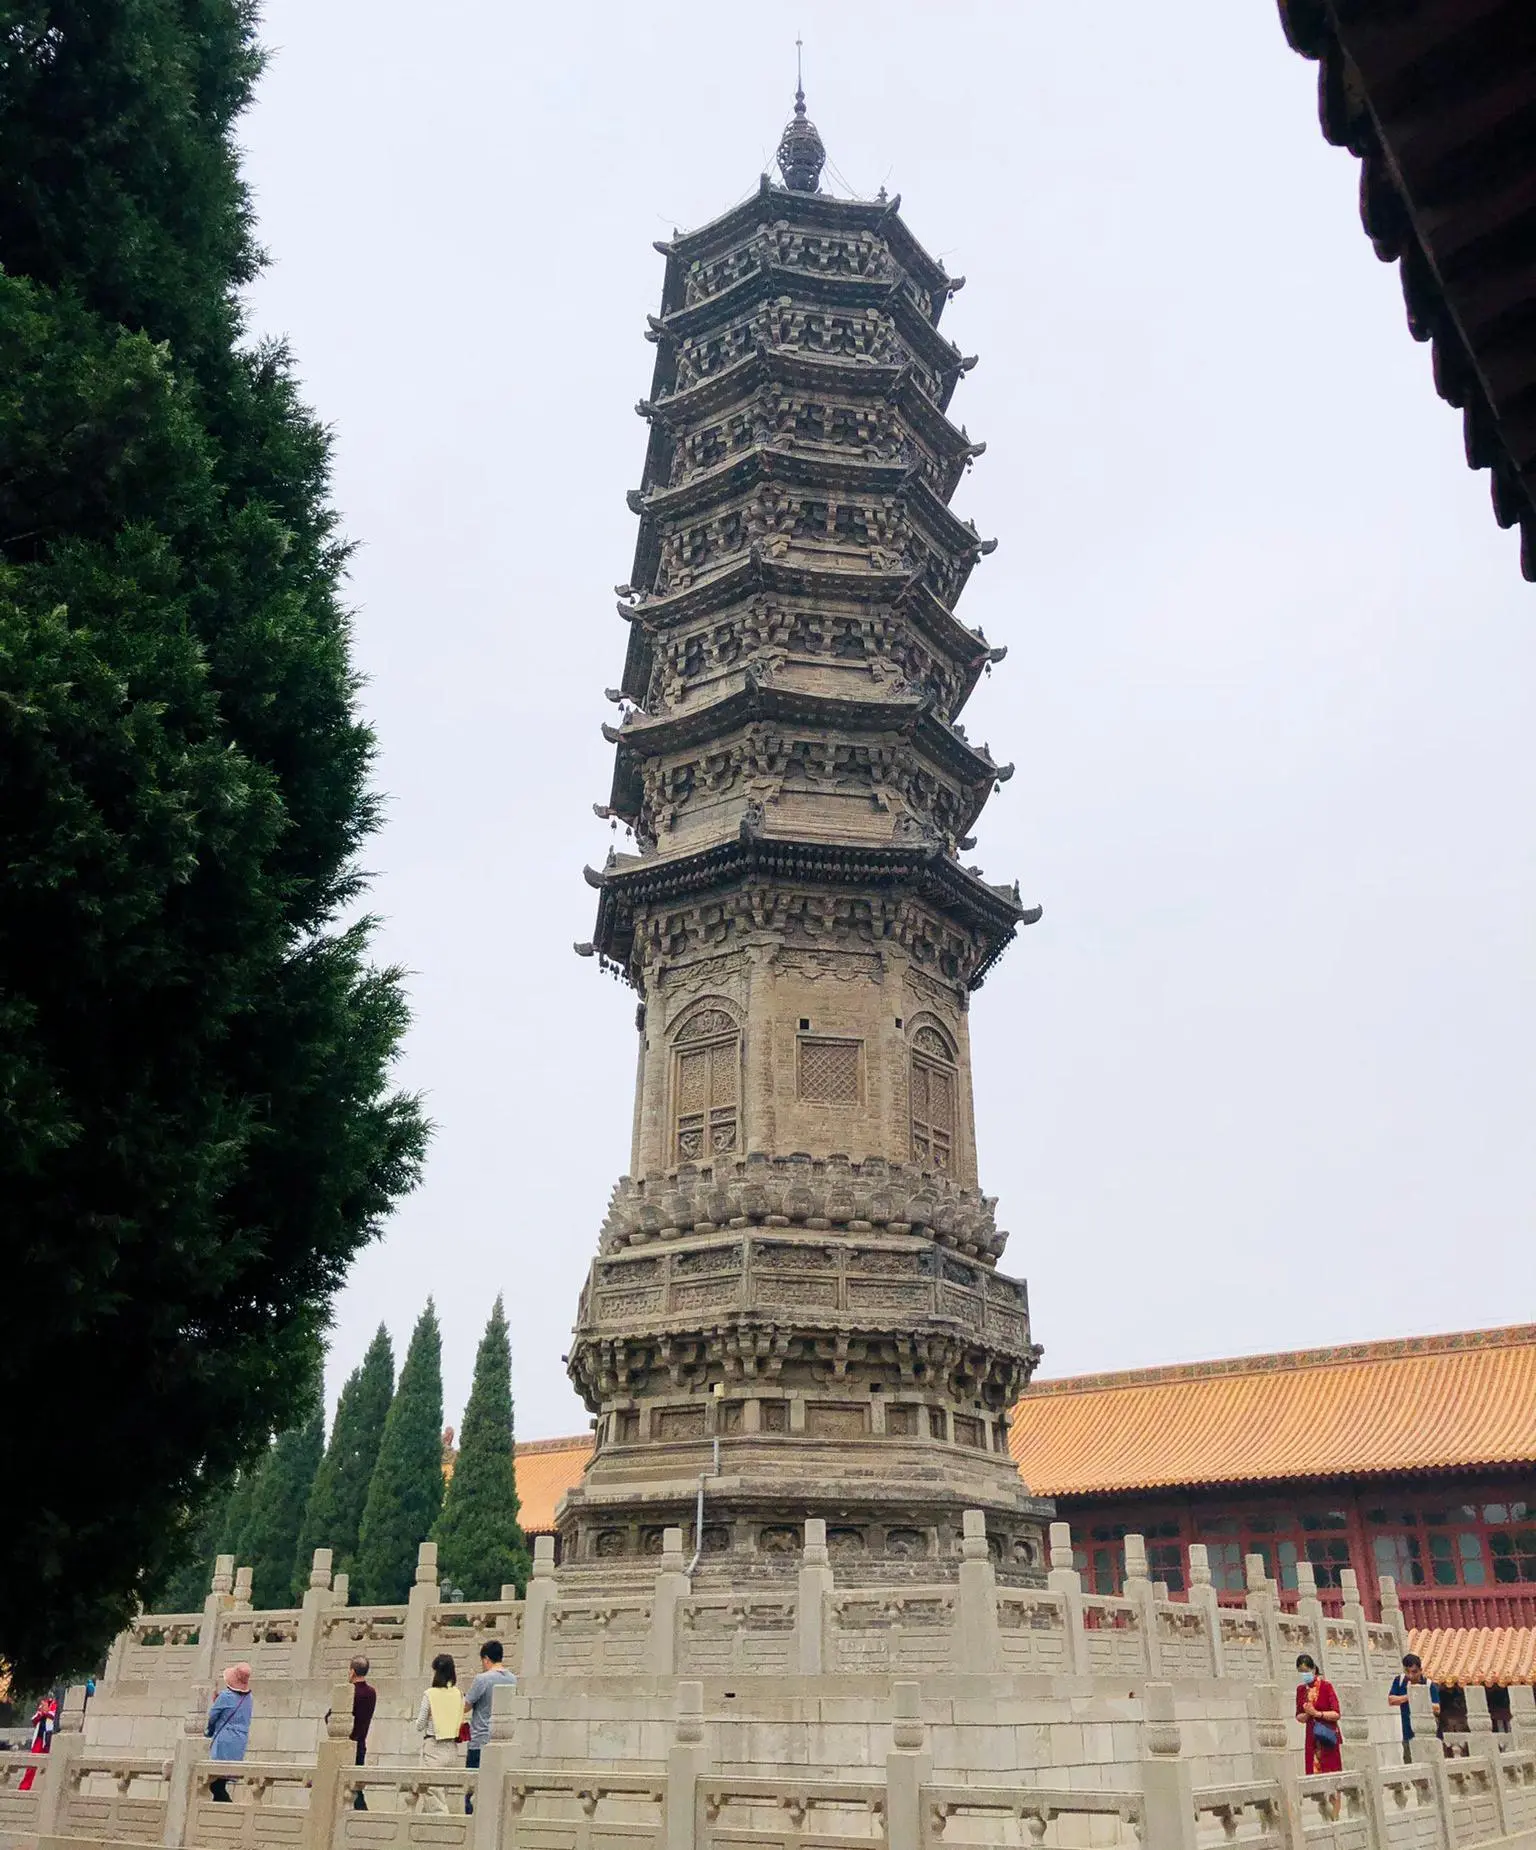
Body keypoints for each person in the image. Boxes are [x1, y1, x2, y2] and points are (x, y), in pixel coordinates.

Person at [461, 1639, 517, 1814]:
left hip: (479, 1741)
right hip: (503, 1743)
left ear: (486, 1659)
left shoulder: (482, 1679)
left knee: (473, 1790)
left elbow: (466, 1706)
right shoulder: (512, 1679)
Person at [416, 1654, 465, 1813]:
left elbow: (420, 1723)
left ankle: (444, 1829)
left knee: (432, 1792)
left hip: (434, 1746)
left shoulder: (430, 1694)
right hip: (451, 1748)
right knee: (441, 1791)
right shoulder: (458, 1693)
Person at [206, 1663, 253, 1802]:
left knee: (215, 1784)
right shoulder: (249, 1698)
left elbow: (213, 1716)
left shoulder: (225, 1696)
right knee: (221, 1782)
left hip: (224, 1740)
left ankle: (228, 1811)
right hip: (239, 1741)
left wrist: (208, 1732)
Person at [1296, 1653, 1343, 1780]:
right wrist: (1307, 1713)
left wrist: (1317, 1714)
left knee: (1332, 1776)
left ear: (1313, 1669)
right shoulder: (1301, 1690)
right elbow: (1298, 1716)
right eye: (1300, 1672)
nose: (1303, 1674)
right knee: (1314, 1777)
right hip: (1312, 1739)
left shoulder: (1326, 1687)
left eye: (1306, 1671)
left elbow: (1336, 1713)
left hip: (1327, 1737)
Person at [1389, 1653, 1441, 1764]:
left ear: (1420, 1670)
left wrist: (1420, 1699)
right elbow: (1391, 1700)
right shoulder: (1399, 1681)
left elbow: (1437, 1708)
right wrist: (1410, 1696)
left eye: (1414, 1672)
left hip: (1428, 1733)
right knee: (1410, 1763)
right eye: (1407, 1672)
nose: (1411, 1676)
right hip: (1408, 1732)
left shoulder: (1428, 1684)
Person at [349, 1657, 377, 1810]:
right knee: (355, 1786)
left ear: (352, 1671)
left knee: (351, 1788)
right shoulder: (371, 1693)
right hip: (361, 1743)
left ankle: (363, 1815)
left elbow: (330, 1717)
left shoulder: (350, 1692)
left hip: (347, 1743)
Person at [16, 1692, 57, 1792]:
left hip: (49, 1739)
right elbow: (34, 1719)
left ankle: (47, 1789)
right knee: (32, 1764)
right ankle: (24, 1787)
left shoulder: (55, 1705)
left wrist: (46, 1712)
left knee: (49, 1765)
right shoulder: (42, 1705)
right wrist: (42, 1712)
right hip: (39, 1739)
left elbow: (53, 1715)